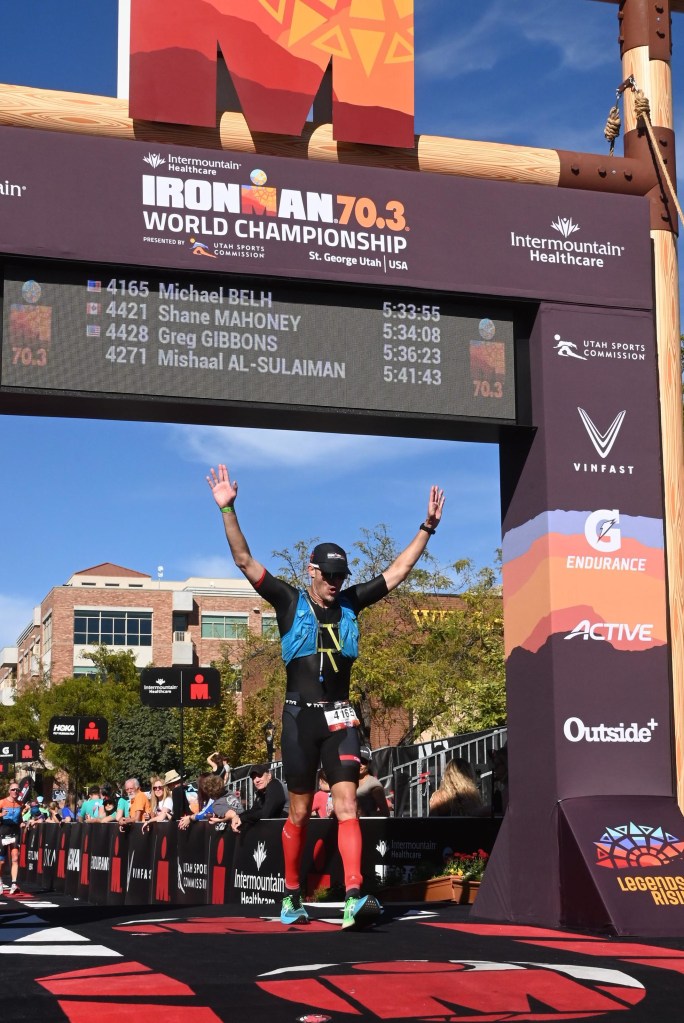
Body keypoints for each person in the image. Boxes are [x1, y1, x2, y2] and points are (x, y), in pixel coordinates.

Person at [207, 461, 444, 928]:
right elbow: (245, 561)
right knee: (298, 812)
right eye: (329, 575)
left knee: (347, 805)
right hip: (299, 719)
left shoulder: (352, 602)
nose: (336, 583)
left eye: (341, 576)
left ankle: (354, 894)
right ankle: (292, 895)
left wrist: (427, 528)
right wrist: (228, 509)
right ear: (311, 570)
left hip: (340, 718)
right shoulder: (289, 600)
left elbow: (397, 571)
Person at [0, 781, 24, 894]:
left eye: (17, 790)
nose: (15, 791)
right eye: (13, 789)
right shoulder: (2, 802)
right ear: (9, 791)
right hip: (3, 831)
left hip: (15, 832)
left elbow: (20, 819)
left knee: (15, 858)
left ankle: (14, 883)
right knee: (2, 861)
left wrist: (23, 823)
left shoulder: (20, 804)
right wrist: (1, 815)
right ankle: (0, 881)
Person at [356, 746, 390, 817]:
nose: (360, 764)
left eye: (363, 761)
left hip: (366, 823)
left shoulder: (373, 785)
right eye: (358, 760)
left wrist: (365, 814)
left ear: (369, 764)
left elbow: (385, 813)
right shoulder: (350, 781)